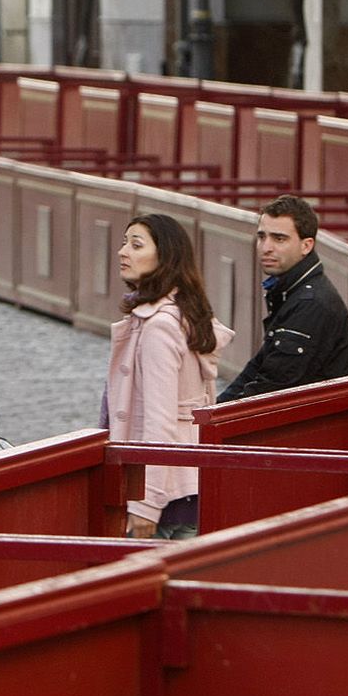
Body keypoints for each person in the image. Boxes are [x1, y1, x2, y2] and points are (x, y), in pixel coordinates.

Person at [104, 213, 234, 539]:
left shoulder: (159, 326)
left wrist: (146, 505)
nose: (123, 252)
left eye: (136, 245)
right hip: (185, 483)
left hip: (160, 494)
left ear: (165, 257)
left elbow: (159, 421)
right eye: (124, 243)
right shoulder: (183, 314)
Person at [218, 194, 348, 402]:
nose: (266, 247)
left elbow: (273, 385)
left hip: (313, 426)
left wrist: (213, 416)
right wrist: (214, 408)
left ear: (306, 245)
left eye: (279, 238)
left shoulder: (311, 304)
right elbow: (260, 365)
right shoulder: (293, 290)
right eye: (261, 237)